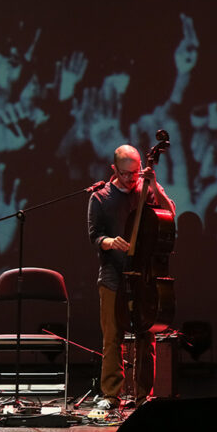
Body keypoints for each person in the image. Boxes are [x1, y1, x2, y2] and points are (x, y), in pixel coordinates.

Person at [87, 144, 175, 410]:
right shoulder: (100, 198)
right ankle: (111, 395)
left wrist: (155, 185)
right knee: (112, 338)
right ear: (114, 169)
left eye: (136, 173)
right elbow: (94, 237)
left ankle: (142, 395)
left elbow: (170, 212)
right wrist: (110, 241)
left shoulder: (145, 190)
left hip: (144, 277)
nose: (131, 179)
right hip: (113, 274)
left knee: (145, 337)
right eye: (126, 174)